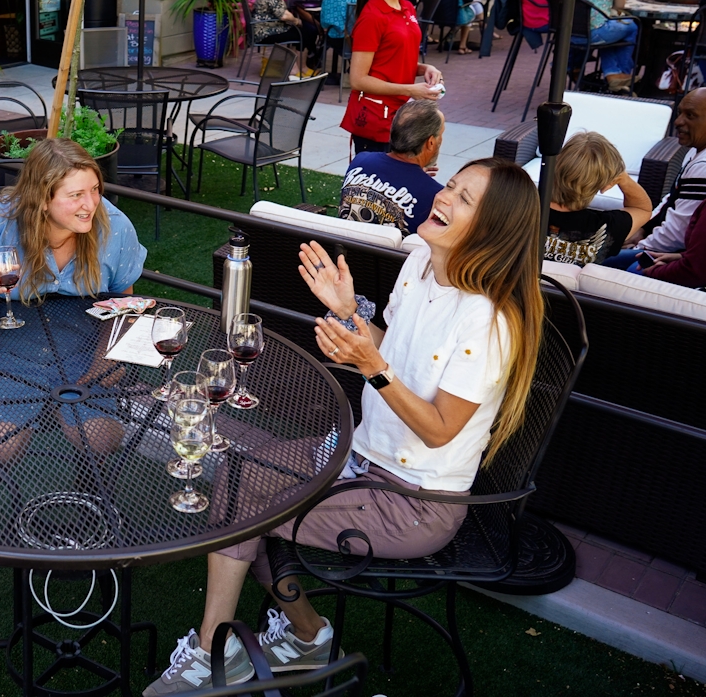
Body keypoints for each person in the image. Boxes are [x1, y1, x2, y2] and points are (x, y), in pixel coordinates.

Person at [143, 158, 544, 694]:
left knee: (245, 504)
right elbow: (388, 348)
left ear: (492, 232)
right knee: (243, 475)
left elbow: (441, 429)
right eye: (451, 185)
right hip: (359, 456)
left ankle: (220, 650)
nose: (444, 197)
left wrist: (370, 368)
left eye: (464, 199)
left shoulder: (489, 320)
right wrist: (350, 313)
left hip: (413, 501)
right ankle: (300, 637)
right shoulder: (422, 260)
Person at [0, 137, 148, 460]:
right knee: (0, 446)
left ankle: (90, 505)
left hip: (82, 341)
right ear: (43, 199)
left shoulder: (115, 227)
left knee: (101, 439)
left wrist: (109, 355)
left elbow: (126, 303)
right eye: (76, 195)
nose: (91, 204)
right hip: (1, 343)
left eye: (94, 189)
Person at [341, 0, 443, 156]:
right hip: (376, 117)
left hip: (400, 115)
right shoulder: (372, 17)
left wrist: (424, 68)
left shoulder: (406, 6)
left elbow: (392, 58)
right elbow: (358, 79)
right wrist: (410, 89)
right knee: (373, 185)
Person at [605, 87, 706, 268]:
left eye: (690, 116)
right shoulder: (694, 150)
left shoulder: (703, 167)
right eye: (680, 113)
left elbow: (677, 233)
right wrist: (644, 228)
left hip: (680, 257)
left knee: (601, 259)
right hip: (667, 246)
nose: (678, 121)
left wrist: (641, 245)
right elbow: (671, 200)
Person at [338, 99, 445, 236]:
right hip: (392, 257)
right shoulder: (435, 195)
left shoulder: (360, 161)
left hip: (341, 251)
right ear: (430, 142)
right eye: (441, 134)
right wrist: (417, 180)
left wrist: (413, 178)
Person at [544, 132, 652, 266]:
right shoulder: (608, 227)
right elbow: (642, 208)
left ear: (555, 164)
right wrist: (624, 178)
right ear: (605, 182)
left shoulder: (520, 207)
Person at [250, 0, 318, 72]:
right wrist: (296, 20)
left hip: (268, 28)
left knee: (304, 30)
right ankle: (297, 69)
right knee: (304, 33)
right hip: (265, 32)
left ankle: (296, 66)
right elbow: (283, 15)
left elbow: (281, 11)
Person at [320, 0, 359, 84]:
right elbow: (356, 21)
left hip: (331, 38)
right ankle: (355, 75)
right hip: (347, 42)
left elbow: (323, 21)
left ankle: (350, 72)